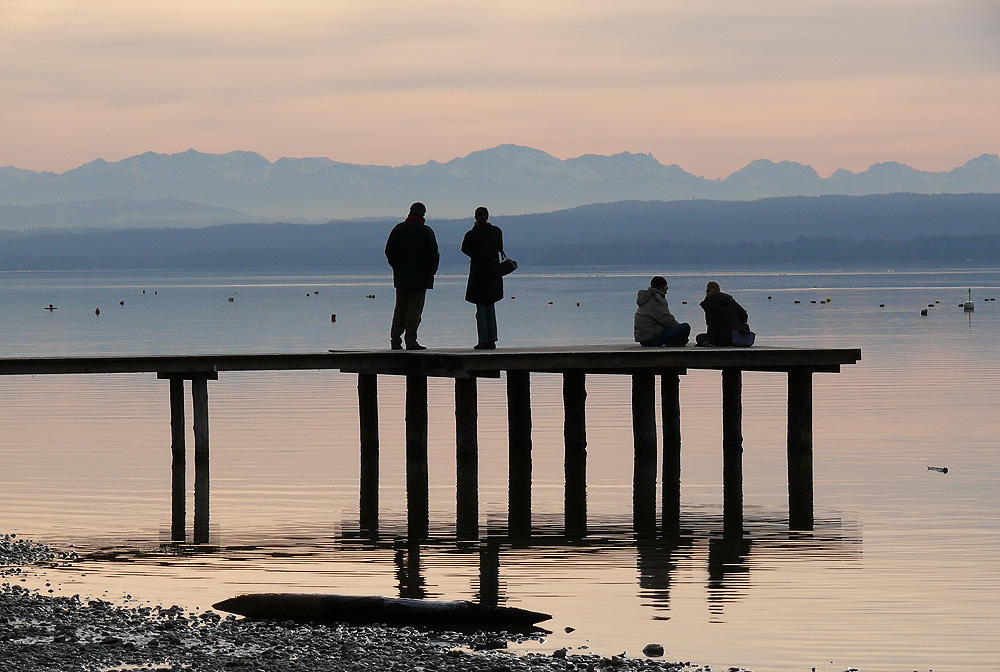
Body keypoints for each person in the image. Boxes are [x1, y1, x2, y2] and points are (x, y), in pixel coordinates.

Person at [385, 202, 439, 350]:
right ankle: (411, 340)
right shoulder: (426, 231)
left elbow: (389, 251)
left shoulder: (398, 229)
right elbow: (434, 255)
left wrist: (397, 267)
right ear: (423, 215)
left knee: (400, 309)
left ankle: (395, 341)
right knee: (414, 311)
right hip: (421, 278)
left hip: (402, 277)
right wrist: (430, 272)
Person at [461, 206, 504, 349]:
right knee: (490, 306)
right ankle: (492, 340)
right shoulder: (496, 232)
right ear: (487, 216)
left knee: (480, 308)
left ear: (475, 217)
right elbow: (499, 247)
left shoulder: (471, 234)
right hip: (493, 273)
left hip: (478, 274)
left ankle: (483, 340)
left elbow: (465, 249)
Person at [633, 276, 691, 347]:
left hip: (645, 338)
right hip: (650, 340)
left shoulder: (648, 299)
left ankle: (674, 342)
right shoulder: (655, 301)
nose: (667, 288)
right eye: (665, 286)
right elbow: (667, 319)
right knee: (685, 327)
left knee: (680, 332)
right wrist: (678, 329)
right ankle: (675, 342)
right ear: (661, 288)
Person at [696, 280, 751, 346]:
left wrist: (711, 341)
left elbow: (711, 324)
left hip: (722, 338)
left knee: (699, 338)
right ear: (719, 290)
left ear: (709, 291)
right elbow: (744, 314)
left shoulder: (709, 302)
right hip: (737, 335)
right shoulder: (730, 300)